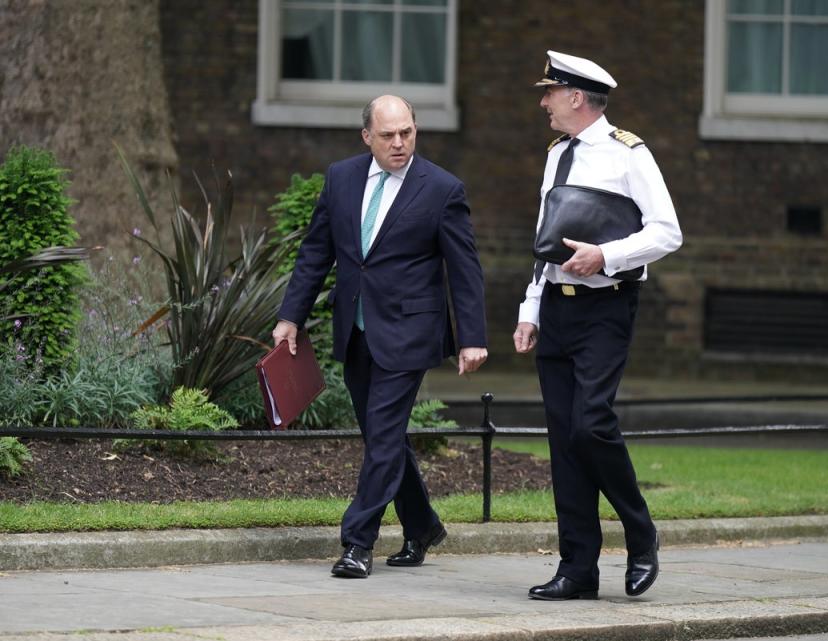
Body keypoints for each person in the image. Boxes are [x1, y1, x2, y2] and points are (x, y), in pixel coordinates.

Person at [273, 95, 488, 579]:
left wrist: (471, 336)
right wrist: (292, 316)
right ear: (366, 136)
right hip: (356, 329)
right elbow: (315, 252)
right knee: (382, 436)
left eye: (407, 132)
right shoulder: (341, 177)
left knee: (385, 435)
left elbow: (465, 268)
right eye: (388, 134)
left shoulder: (442, 189)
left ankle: (357, 543)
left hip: (410, 331)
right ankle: (423, 525)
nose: (399, 143)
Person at [513, 51, 682, 600]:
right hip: (556, 309)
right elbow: (546, 240)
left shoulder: (629, 155)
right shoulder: (556, 154)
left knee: (591, 425)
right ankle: (577, 568)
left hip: (606, 308)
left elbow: (667, 232)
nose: (544, 103)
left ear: (576, 97)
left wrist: (606, 255)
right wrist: (530, 309)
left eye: (550, 93)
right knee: (564, 441)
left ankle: (641, 532)